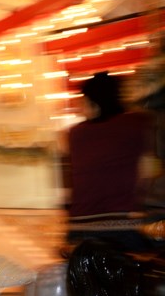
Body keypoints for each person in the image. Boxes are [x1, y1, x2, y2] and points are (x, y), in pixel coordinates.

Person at [63, 71, 158, 253]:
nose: (81, 108)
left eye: (83, 101)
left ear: (95, 104)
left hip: (78, 230)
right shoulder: (138, 123)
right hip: (123, 230)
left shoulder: (75, 133)